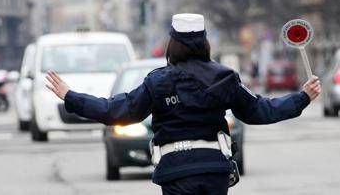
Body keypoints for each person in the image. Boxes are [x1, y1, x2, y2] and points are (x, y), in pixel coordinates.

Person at [46, 13, 321, 195]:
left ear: (172, 44)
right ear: (205, 42)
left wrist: (72, 97)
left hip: (175, 172)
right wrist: (302, 97)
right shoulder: (225, 78)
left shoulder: (158, 81)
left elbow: (117, 111)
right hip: (215, 170)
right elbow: (260, 111)